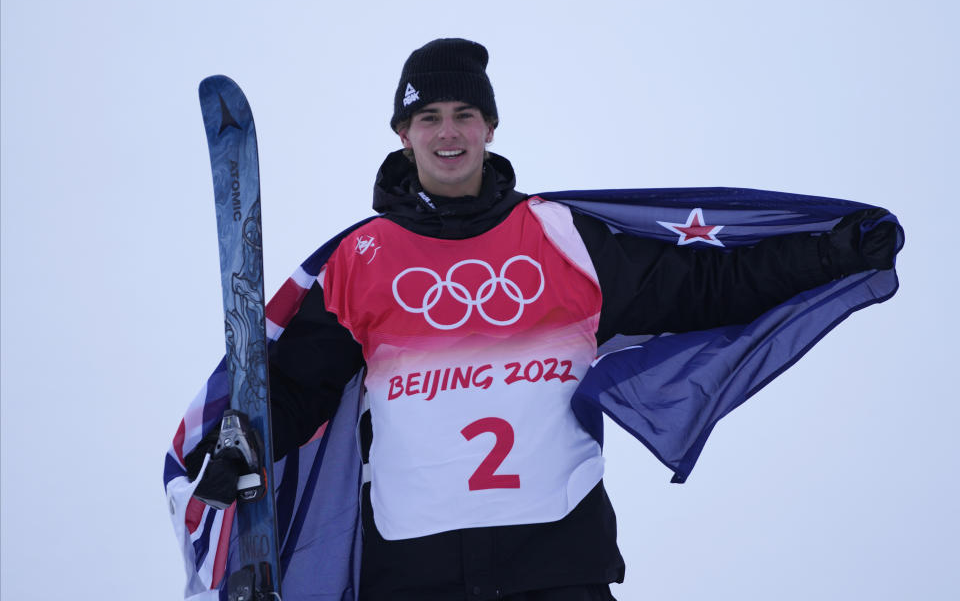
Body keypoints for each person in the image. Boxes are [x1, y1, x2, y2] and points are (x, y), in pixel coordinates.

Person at [180, 38, 900, 601]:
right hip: (413, 569)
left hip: (556, 561)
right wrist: (237, 439)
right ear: (403, 133)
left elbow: (706, 285)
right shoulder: (361, 256)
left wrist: (829, 253)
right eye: (428, 117)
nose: (448, 132)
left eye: (464, 114)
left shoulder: (560, 235)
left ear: (490, 125)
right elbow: (297, 385)